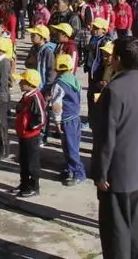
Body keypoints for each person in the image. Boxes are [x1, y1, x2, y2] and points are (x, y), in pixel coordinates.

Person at [91, 38, 138, 259]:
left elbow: (106, 137)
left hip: (116, 174)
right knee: (135, 226)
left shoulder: (115, 89)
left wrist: (100, 173)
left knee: (116, 232)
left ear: (118, 59)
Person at [49, 53, 86, 186]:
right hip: (75, 117)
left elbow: (57, 105)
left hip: (66, 119)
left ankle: (79, 173)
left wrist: (57, 121)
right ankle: (69, 169)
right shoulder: (74, 80)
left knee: (70, 148)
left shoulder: (59, 84)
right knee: (73, 145)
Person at [10, 69, 45, 197]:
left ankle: (34, 186)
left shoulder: (35, 97)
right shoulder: (27, 96)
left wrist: (30, 127)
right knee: (23, 161)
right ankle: (24, 183)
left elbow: (41, 118)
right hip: (23, 135)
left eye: (22, 81)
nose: (19, 83)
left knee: (32, 163)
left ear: (29, 83)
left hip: (31, 136)